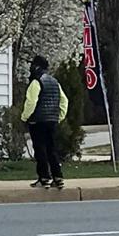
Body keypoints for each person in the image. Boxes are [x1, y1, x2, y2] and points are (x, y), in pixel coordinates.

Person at [21, 55, 69, 190]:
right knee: (51, 149)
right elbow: (64, 101)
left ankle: (44, 177)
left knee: (40, 149)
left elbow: (31, 102)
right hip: (52, 120)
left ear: (36, 67)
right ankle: (58, 176)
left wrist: (25, 117)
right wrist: (59, 116)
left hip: (38, 121)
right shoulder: (55, 82)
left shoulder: (36, 82)